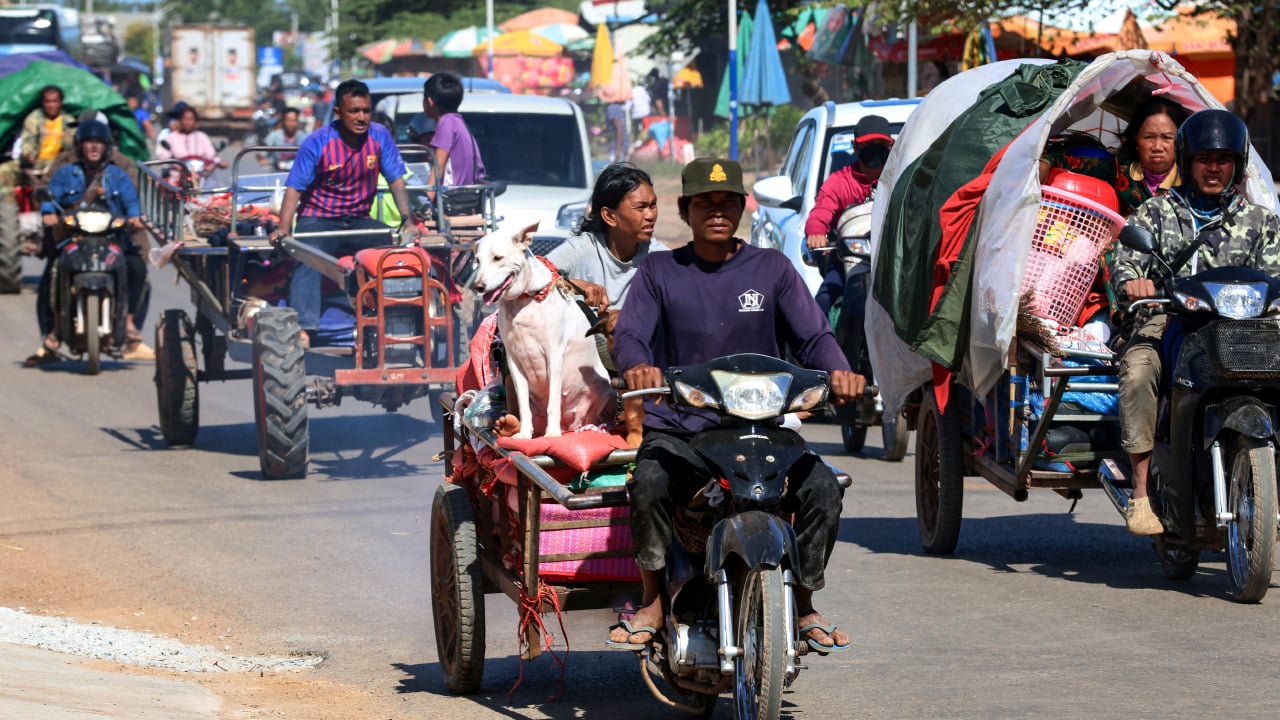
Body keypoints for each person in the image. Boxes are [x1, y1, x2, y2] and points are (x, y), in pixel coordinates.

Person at [608, 157, 865, 652]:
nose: (717, 212)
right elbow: (632, 334)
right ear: (685, 210)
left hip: (762, 428)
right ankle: (653, 599)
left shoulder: (773, 269)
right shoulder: (660, 270)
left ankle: (805, 602)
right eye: (705, 203)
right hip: (682, 428)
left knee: (823, 489)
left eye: (727, 202)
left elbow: (814, 337)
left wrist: (839, 371)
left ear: (743, 208)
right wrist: (638, 366)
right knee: (649, 482)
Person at [1112, 109, 1280, 535]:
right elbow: (1125, 264)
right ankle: (1141, 494)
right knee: (1138, 372)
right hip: (1169, 320)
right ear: (1187, 162)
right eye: (1205, 159)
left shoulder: (1261, 221)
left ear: (1237, 164)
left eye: (1223, 159)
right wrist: (1134, 283)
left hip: (1242, 330)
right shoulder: (1156, 213)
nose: (1214, 168)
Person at [270, 78, 418, 348]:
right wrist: (283, 228)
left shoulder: (379, 136)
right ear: (338, 112)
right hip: (318, 219)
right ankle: (304, 327)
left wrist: (408, 222)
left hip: (360, 220)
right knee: (307, 255)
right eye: (354, 111)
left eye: (366, 111)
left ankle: (398, 317)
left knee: (396, 253)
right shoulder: (318, 142)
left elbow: (396, 180)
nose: (361, 117)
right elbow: (294, 188)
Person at [27, 120, 153, 364]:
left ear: (107, 146)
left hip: (111, 237)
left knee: (136, 267)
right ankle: (55, 329)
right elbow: (50, 196)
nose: (93, 147)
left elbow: (131, 202)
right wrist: (48, 213)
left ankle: (128, 324)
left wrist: (135, 217)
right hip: (75, 236)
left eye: (98, 142)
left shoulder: (118, 174)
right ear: (79, 146)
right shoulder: (66, 172)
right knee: (54, 272)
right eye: (88, 142)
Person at [803, 115, 895, 315]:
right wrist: (816, 231)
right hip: (847, 260)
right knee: (822, 301)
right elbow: (821, 210)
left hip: (895, 260)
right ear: (855, 147)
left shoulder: (901, 178)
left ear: (891, 146)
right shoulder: (839, 182)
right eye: (868, 145)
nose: (875, 150)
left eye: (881, 145)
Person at [546, 163, 662, 311]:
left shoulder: (658, 257)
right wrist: (573, 285)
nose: (650, 215)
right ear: (609, 216)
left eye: (653, 205)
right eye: (640, 208)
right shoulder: (581, 249)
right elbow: (532, 278)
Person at [0, 86, 76, 201]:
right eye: (48, 102)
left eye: (54, 101)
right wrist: (28, 154)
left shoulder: (69, 121)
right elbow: (27, 141)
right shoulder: (34, 118)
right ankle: (8, 210)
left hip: (58, 164)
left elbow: (72, 148)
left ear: (61, 103)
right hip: (34, 163)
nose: (51, 105)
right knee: (4, 171)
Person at [421, 72, 486, 189]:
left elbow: (439, 167)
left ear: (430, 102)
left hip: (452, 196)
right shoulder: (459, 122)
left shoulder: (446, 123)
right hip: (467, 195)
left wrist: (427, 198)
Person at [155, 103, 226, 180]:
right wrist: (175, 166)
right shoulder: (171, 137)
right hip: (178, 178)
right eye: (185, 119)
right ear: (180, 120)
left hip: (201, 177)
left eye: (191, 119)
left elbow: (211, 155)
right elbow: (164, 157)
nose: (188, 122)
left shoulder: (201, 136)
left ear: (195, 121)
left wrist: (219, 163)